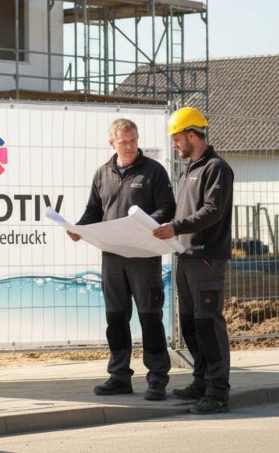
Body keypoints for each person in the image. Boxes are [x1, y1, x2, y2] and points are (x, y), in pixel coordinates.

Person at [69, 118, 176, 400]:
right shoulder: (102, 174)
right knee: (116, 319)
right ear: (112, 143)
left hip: (143, 256)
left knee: (150, 318)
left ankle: (157, 380)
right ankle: (119, 377)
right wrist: (79, 229)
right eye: (124, 142)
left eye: (133, 141)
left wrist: (148, 225)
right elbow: (94, 211)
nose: (129, 147)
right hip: (112, 257)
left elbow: (167, 208)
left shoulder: (154, 171)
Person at [153, 107, 234, 415]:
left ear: (191, 134)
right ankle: (201, 381)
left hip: (206, 259)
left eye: (177, 138)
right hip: (185, 258)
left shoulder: (216, 168)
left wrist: (176, 226)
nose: (175, 144)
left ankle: (218, 392)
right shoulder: (188, 169)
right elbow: (184, 212)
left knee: (208, 325)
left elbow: (212, 211)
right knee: (190, 324)